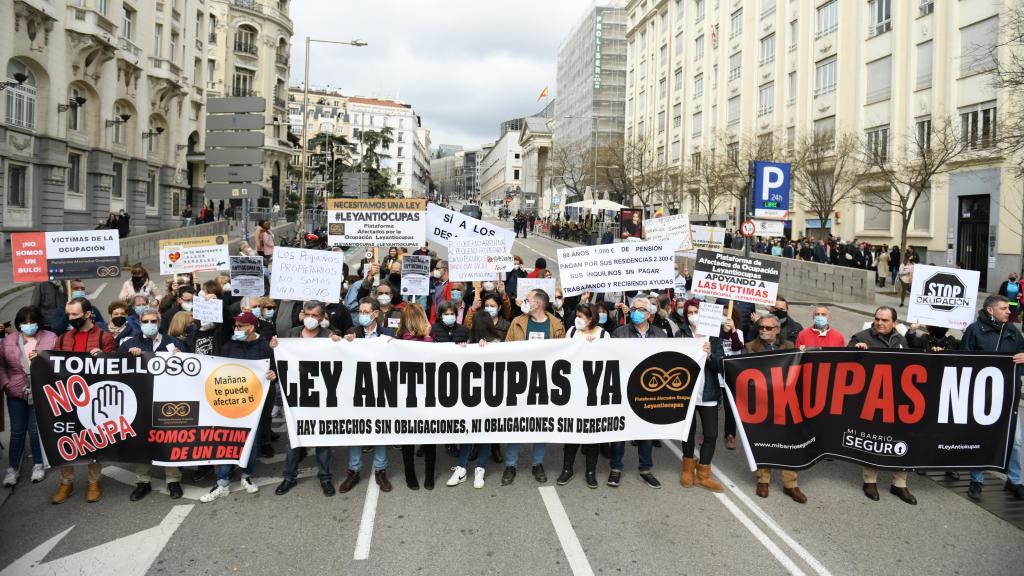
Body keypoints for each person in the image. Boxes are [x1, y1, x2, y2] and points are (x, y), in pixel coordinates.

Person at [200, 312, 278, 502]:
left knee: (252, 440)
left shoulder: (265, 347)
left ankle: (246, 476)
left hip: (255, 405)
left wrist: (272, 375)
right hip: (231, 403)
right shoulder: (229, 346)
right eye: (236, 326)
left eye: (240, 326)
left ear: (251, 328)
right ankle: (222, 482)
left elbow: (275, 370)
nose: (236, 329)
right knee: (228, 440)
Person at [51, 297, 116, 504]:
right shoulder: (62, 339)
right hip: (67, 398)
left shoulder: (104, 338)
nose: (70, 318)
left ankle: (93, 482)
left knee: (93, 440)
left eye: (75, 315)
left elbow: (116, 368)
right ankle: (66, 482)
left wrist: (104, 357)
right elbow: (52, 366)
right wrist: (38, 359)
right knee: (66, 438)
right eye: (68, 314)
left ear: (88, 314)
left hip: (94, 399)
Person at [848, 306, 915, 504]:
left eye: (885, 320)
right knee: (874, 438)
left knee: (902, 439)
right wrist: (856, 351)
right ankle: (870, 481)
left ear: (894, 323)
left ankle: (899, 484)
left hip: (897, 399)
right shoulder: (861, 337)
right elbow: (844, 363)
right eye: (877, 319)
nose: (879, 323)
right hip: (872, 399)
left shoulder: (901, 340)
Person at [118, 308, 186, 501]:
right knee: (141, 439)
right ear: (139, 322)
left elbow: (192, 368)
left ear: (159, 322)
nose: (149, 325)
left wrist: (182, 357)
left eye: (153, 321)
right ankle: (143, 481)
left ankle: (173, 480)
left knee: (169, 438)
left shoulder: (175, 343)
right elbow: (116, 370)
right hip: (140, 401)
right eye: (145, 321)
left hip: (168, 400)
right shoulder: (129, 344)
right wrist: (128, 357)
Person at [960, 294, 1024, 500]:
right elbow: (962, 360)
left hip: (1007, 395)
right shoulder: (974, 330)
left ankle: (1015, 481)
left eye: (1009, 308)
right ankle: (976, 480)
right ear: (990, 310)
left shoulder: (1013, 332)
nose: (1009, 311)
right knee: (981, 437)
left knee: (1015, 441)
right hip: (981, 396)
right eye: (1004, 308)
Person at [274, 301, 338, 497]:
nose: (310, 317)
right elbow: (280, 357)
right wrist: (275, 346)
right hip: (296, 395)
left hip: (321, 395)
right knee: (294, 438)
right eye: (307, 313)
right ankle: (289, 477)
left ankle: (325, 478)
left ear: (321, 318)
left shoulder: (329, 336)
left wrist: (342, 343)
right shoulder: (292, 334)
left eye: (314, 315)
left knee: (322, 440)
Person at [502, 289, 565, 485]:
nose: (523, 301)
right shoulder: (518, 322)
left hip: (545, 381)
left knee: (540, 423)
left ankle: (538, 463)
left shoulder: (556, 325)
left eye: (528, 299)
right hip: (520, 379)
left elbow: (564, 352)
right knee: (516, 423)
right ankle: (510, 464)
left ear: (537, 304)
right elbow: (507, 347)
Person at [745, 315, 807, 503]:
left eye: (768, 328)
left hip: (787, 402)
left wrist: (804, 354)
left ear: (777, 330)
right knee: (763, 440)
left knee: (789, 442)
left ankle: (791, 484)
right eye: (761, 327)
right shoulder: (750, 347)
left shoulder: (790, 346)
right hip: (762, 403)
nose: (763, 330)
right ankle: (763, 480)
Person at [606, 297, 665, 488]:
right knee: (619, 431)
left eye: (641, 309)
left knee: (646, 431)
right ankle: (615, 468)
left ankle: (645, 469)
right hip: (623, 388)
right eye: (633, 309)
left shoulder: (660, 335)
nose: (636, 312)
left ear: (649, 314)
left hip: (648, 390)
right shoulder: (619, 333)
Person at [338, 298, 395, 494]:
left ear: (375, 314)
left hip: (380, 389)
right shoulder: (352, 333)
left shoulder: (388, 333)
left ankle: (380, 470)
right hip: (356, 389)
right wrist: (342, 343)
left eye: (365, 311)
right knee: (356, 428)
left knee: (380, 429)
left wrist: (393, 345)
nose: (361, 314)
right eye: (360, 311)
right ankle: (354, 470)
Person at [0, 306, 55, 487]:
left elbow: (56, 361)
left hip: (39, 390)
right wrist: (6, 383)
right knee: (16, 431)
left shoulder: (49, 337)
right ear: (19, 324)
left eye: (32, 322)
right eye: (24, 322)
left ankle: (38, 464)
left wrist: (42, 357)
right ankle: (12, 468)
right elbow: (1, 366)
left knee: (34, 429)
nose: (28, 325)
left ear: (39, 322)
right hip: (15, 391)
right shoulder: (9, 340)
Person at [557, 303, 609, 489]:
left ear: (591, 318)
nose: (578, 319)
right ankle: (567, 468)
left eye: (582, 316)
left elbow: (610, 359)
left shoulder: (603, 334)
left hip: (593, 391)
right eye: (577, 315)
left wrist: (595, 348)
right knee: (573, 432)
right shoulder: (571, 331)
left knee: (592, 435)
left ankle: (590, 472)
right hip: (573, 389)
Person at [676, 299, 726, 493]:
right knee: (688, 431)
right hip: (687, 392)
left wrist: (711, 355)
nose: (693, 315)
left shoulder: (714, 336)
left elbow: (720, 366)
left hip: (709, 392)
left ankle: (703, 474)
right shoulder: (681, 334)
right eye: (689, 312)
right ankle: (687, 469)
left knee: (711, 433)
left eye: (696, 311)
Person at [395, 303, 437, 490]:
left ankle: (414, 476)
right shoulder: (401, 339)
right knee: (419, 440)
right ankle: (423, 477)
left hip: (414, 396)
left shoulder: (422, 337)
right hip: (414, 395)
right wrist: (427, 337)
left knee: (414, 440)